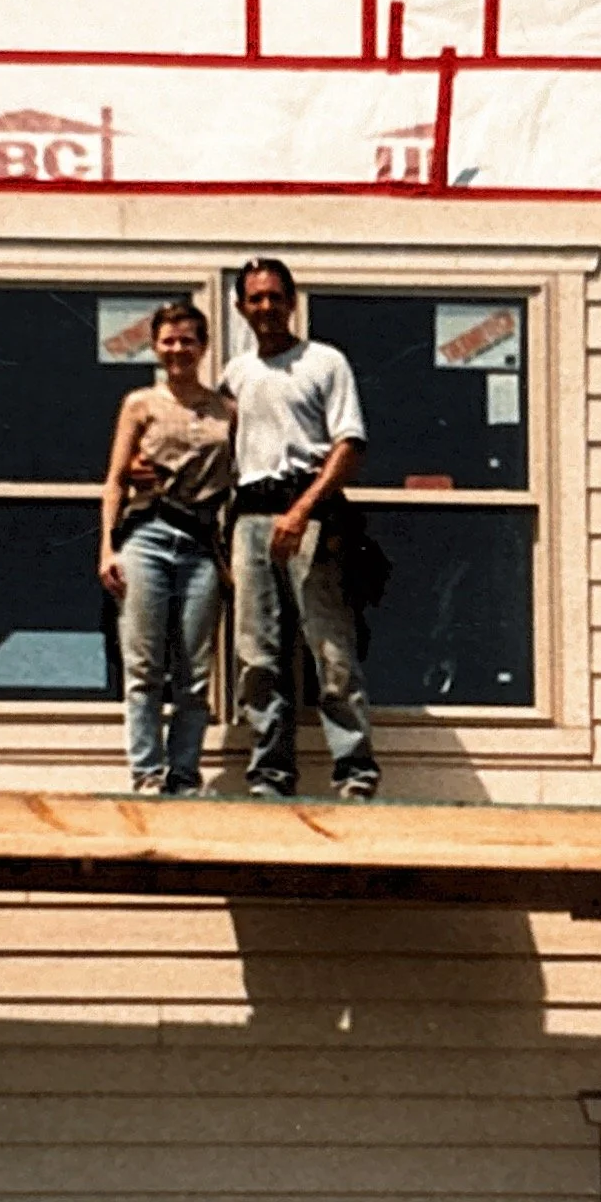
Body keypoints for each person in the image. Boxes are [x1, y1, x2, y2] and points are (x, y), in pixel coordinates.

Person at [228, 256, 380, 802]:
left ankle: (354, 773)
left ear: (291, 302)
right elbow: (216, 445)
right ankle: (270, 775)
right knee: (257, 656)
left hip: (311, 514)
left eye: (275, 296)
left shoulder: (324, 362)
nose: (265, 307)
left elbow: (349, 446)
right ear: (241, 307)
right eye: (255, 298)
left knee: (330, 650)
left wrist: (302, 510)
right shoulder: (236, 373)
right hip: (249, 517)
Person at [98, 299, 235, 797]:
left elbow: (235, 485)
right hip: (148, 536)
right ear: (155, 346)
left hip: (200, 543)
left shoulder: (225, 409)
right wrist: (107, 549)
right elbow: (114, 482)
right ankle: (148, 774)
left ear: (202, 346)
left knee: (195, 671)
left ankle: (184, 774)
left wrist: (228, 556)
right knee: (144, 666)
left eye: (188, 340)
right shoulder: (140, 404)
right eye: (168, 340)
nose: (178, 349)